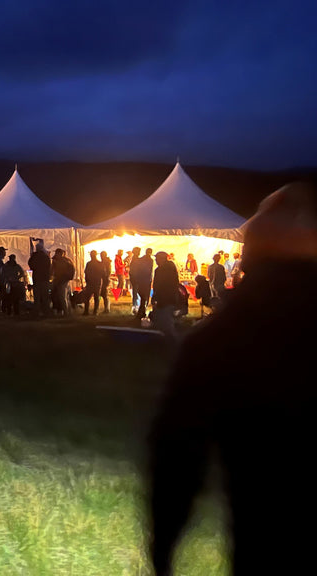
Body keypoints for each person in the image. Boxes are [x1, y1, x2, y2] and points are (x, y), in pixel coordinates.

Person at [148, 182, 317, 576]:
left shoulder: (220, 338)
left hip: (265, 539)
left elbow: (175, 456)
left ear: (248, 254)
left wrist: (163, 552)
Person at [148, 251, 182, 338]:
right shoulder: (171, 267)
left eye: (157, 258)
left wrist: (155, 295)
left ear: (162, 259)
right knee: (166, 317)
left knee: (165, 319)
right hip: (170, 296)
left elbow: (159, 284)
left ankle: (170, 338)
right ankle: (167, 337)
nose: (156, 260)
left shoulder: (161, 270)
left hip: (164, 297)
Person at [129, 247, 155, 321]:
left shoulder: (141, 259)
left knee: (142, 295)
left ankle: (141, 309)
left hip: (142, 279)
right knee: (142, 295)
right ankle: (140, 309)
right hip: (143, 280)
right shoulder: (142, 260)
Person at [28, 242, 52, 316]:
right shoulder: (46, 257)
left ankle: (37, 311)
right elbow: (49, 267)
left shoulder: (34, 256)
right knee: (45, 296)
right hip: (45, 279)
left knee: (37, 296)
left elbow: (30, 264)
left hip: (37, 278)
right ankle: (46, 311)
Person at [50, 248, 75, 315]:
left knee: (62, 297)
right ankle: (67, 311)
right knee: (65, 297)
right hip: (64, 281)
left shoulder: (60, 261)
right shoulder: (68, 261)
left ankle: (65, 312)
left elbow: (52, 271)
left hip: (61, 281)